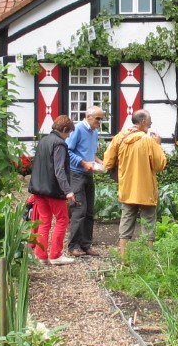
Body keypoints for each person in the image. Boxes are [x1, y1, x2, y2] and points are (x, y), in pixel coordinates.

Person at [103, 109, 168, 258]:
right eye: (150, 122)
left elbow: (107, 162)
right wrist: (158, 145)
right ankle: (147, 258)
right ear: (143, 122)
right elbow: (159, 165)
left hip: (127, 188)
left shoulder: (120, 137)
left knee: (126, 220)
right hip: (146, 189)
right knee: (148, 223)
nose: (150, 125)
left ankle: (123, 257)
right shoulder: (148, 141)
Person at [28, 114, 77, 265]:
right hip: (53, 190)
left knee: (44, 221)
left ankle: (41, 256)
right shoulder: (59, 144)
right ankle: (55, 255)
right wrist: (68, 190)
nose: (68, 136)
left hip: (39, 189)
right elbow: (59, 170)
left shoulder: (43, 141)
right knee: (62, 220)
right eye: (68, 133)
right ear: (63, 129)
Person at [65, 105, 105, 258]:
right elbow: (68, 150)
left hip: (88, 174)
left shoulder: (94, 132)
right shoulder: (78, 129)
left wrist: (98, 161)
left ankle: (86, 245)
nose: (100, 122)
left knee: (89, 211)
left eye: (101, 119)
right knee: (79, 210)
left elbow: (89, 153)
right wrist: (83, 163)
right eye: (98, 118)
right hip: (76, 174)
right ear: (88, 116)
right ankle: (73, 245)